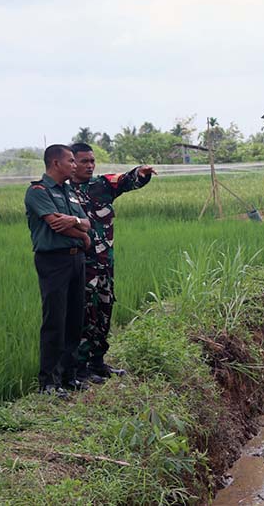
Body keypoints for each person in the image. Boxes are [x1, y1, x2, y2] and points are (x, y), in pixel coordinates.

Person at [70, 143, 156, 382]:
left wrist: (141, 172)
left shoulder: (101, 185)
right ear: (71, 162)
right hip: (81, 265)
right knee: (85, 315)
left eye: (92, 161)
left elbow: (126, 179)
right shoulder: (63, 192)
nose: (89, 165)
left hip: (105, 262)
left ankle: (98, 362)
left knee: (104, 311)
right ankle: (80, 368)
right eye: (83, 161)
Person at [24, 144, 92, 398]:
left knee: (75, 319)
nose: (75, 165)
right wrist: (82, 235)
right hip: (53, 261)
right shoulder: (37, 191)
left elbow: (85, 222)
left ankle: (69, 376)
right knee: (55, 320)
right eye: (71, 161)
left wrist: (75, 223)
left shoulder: (69, 192)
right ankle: (49, 383)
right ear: (55, 163)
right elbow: (54, 224)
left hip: (76, 261)